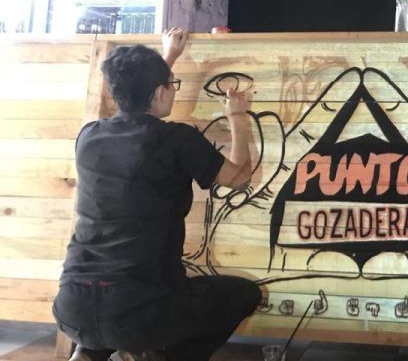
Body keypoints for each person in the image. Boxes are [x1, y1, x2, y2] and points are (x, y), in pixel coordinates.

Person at [52, 29, 262, 361]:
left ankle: (89, 353)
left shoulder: (89, 137)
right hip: (136, 312)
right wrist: (237, 116)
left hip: (71, 309)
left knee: (115, 311)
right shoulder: (177, 140)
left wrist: (168, 58)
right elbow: (239, 177)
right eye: (171, 85)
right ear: (160, 92)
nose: (173, 91)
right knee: (244, 294)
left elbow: (139, 105)